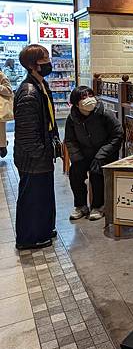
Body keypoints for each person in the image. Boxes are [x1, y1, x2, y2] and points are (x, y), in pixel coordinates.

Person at [14, 44, 59, 250]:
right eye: (44, 60)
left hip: (41, 155)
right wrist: (40, 152)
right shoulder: (29, 91)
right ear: (32, 65)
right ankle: (29, 237)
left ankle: (43, 229)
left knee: (43, 196)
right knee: (32, 198)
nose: (49, 63)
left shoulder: (40, 85)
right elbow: (26, 133)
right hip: (33, 159)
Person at [65, 86, 123, 221]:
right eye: (83, 97)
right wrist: (77, 157)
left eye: (90, 95)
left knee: (96, 172)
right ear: (76, 103)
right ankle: (80, 206)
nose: (88, 100)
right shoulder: (72, 118)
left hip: (105, 153)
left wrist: (102, 154)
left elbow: (117, 135)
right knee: (75, 173)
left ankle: (98, 206)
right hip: (84, 154)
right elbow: (70, 139)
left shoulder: (105, 114)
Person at [0, 70, 13, 157]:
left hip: (0, 111)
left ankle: (2, 146)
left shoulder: (1, 75)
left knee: (1, 134)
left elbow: (9, 90)